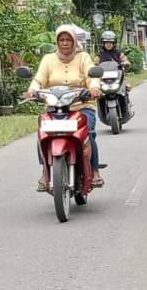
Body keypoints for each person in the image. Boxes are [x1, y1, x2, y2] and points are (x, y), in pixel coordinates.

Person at [27, 24, 104, 191]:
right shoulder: (48, 59)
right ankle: (45, 172)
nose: (65, 43)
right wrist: (32, 90)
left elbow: (92, 76)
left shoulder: (83, 57)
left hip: (81, 106)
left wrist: (94, 87)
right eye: (61, 40)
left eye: (68, 39)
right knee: (42, 134)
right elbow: (39, 79)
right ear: (57, 42)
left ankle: (95, 171)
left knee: (88, 133)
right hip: (54, 107)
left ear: (74, 41)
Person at [96, 30, 133, 119]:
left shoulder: (118, 53)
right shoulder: (100, 54)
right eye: (106, 42)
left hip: (117, 78)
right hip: (104, 79)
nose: (108, 44)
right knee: (99, 94)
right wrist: (94, 65)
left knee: (126, 87)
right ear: (103, 43)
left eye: (110, 42)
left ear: (114, 43)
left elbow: (125, 60)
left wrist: (126, 63)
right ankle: (103, 113)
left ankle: (126, 110)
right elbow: (94, 62)